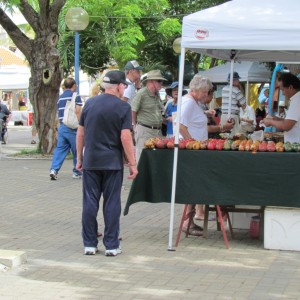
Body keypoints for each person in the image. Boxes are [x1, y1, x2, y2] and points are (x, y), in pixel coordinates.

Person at [76, 70, 138, 256]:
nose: (124, 89)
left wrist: (79, 158)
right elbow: (125, 136)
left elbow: (81, 133)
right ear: (118, 86)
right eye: (124, 86)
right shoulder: (122, 107)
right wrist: (133, 163)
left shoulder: (89, 104)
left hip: (91, 161)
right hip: (112, 163)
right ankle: (111, 245)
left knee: (90, 202)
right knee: (112, 203)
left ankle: (89, 244)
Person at [179, 75, 234, 234]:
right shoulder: (189, 102)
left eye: (206, 92)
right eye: (204, 92)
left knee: (194, 185)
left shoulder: (194, 102)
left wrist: (221, 128)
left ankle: (188, 221)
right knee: (193, 185)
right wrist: (192, 143)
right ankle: (187, 222)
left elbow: (199, 126)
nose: (206, 95)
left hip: (196, 150)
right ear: (195, 89)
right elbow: (180, 126)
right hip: (192, 151)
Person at [49, 77, 83, 180]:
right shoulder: (76, 96)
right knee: (77, 150)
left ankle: (54, 170)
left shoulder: (60, 97)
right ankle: (77, 172)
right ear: (74, 86)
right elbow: (78, 111)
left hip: (62, 127)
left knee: (60, 149)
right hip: (72, 128)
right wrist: (82, 124)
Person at [131, 70, 167, 162]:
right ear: (151, 81)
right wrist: (134, 126)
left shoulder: (157, 94)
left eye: (161, 81)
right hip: (145, 131)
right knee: (143, 159)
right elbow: (133, 110)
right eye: (159, 81)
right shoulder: (142, 93)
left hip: (157, 131)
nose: (161, 83)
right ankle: (140, 176)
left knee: (155, 160)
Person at [262, 72, 300, 143]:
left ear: (290, 87)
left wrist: (270, 122)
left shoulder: (297, 100)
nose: (282, 93)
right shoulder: (296, 99)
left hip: (296, 146)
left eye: (283, 89)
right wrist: (278, 119)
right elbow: (292, 122)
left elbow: (286, 126)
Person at [221, 72, 246, 136]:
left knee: (224, 135)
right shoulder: (236, 90)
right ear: (234, 80)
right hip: (233, 116)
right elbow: (244, 104)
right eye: (238, 80)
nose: (239, 81)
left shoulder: (224, 89)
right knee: (234, 136)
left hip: (223, 115)